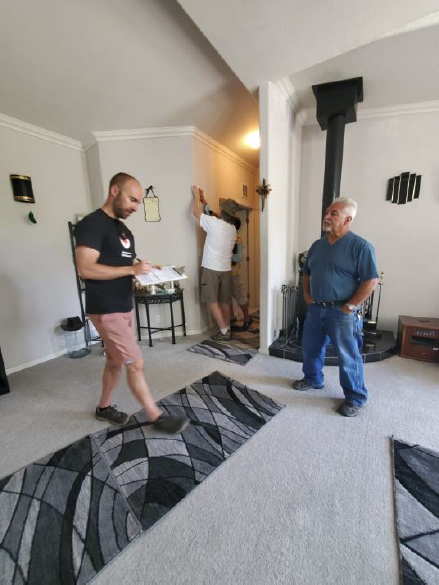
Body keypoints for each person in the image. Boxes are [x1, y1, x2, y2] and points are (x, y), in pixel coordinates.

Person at [74, 172, 190, 434]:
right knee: (135, 361)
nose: (135, 207)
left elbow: (126, 262)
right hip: (105, 307)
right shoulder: (91, 224)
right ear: (114, 191)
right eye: (132, 200)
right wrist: (131, 271)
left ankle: (103, 409)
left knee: (115, 361)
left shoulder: (123, 229)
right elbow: (86, 269)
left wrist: (148, 268)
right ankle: (156, 416)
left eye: (138, 202)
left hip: (124, 304)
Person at [292, 197, 379, 417]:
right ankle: (313, 379)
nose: (327, 216)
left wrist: (350, 306)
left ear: (348, 219)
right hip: (315, 309)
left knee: (348, 356)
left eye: (334, 214)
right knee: (310, 348)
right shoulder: (317, 245)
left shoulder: (361, 246)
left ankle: (355, 397)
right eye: (327, 212)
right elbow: (307, 272)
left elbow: (371, 280)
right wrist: (307, 295)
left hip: (341, 312)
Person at [192, 186, 238, 341]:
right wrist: (204, 201)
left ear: (222, 212)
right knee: (224, 301)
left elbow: (195, 213)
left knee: (212, 301)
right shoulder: (232, 229)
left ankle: (224, 331)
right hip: (225, 270)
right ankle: (227, 328)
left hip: (212, 269)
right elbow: (215, 216)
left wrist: (195, 197)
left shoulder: (214, 223)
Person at [230, 217, 252, 331]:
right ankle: (232, 317)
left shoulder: (237, 239)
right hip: (226, 272)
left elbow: (238, 257)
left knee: (240, 296)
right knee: (228, 296)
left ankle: (247, 319)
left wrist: (225, 256)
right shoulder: (229, 237)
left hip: (234, 272)